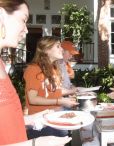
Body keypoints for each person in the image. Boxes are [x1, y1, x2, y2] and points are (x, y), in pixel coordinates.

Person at [0, 0, 71, 145]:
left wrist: (31, 119)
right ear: (1, 15)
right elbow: (33, 98)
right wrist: (35, 143)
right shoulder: (33, 69)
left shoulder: (1, 64)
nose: (26, 30)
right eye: (23, 19)